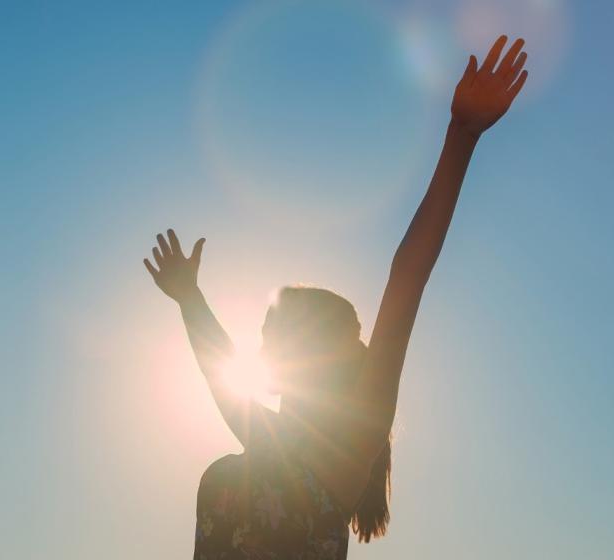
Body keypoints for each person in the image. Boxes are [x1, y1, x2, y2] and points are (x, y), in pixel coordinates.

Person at [142, 35, 529, 559]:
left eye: (274, 334)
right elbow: (218, 362)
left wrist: (461, 137)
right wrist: (188, 298)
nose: (261, 348)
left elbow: (406, 278)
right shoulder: (264, 441)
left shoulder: (343, 456)